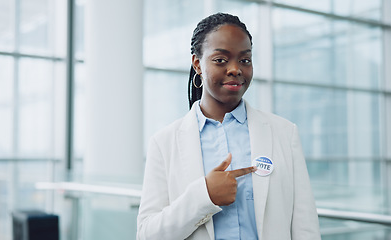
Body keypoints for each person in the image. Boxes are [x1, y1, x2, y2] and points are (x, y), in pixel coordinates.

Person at [137, 13, 321, 240]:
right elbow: (148, 234)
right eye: (221, 60)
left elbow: (306, 228)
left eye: (245, 60)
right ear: (197, 64)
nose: (235, 69)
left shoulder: (284, 133)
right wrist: (205, 196)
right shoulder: (164, 142)